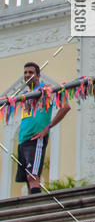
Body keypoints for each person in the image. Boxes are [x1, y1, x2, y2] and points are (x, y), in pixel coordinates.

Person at [15, 62, 71, 194]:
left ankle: (37, 207)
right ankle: (29, 209)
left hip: (36, 138)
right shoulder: (25, 94)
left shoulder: (46, 90)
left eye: (31, 72)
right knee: (27, 179)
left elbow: (66, 107)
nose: (27, 75)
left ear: (38, 75)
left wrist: (47, 128)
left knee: (32, 176)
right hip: (23, 139)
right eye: (25, 72)